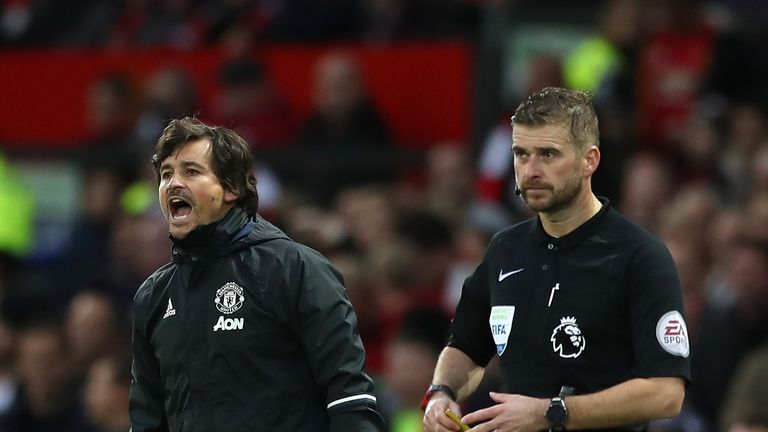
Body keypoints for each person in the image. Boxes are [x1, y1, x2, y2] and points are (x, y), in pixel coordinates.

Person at [421, 88, 691, 432]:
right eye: (521, 154)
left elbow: (666, 392)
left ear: (589, 160)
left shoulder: (639, 256)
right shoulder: (505, 249)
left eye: (548, 154)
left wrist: (553, 412)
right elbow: (465, 347)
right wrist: (442, 391)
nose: (530, 170)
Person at [129, 117, 382, 431]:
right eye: (166, 174)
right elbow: (147, 420)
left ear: (232, 188)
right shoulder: (154, 296)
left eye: (191, 172)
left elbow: (350, 401)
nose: (173, 183)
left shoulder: (296, 270)